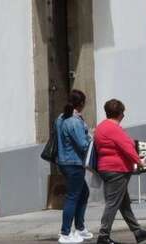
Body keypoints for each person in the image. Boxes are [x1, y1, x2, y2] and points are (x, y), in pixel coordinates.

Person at [94, 99, 146, 244]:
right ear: (121, 114)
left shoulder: (101, 127)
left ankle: (138, 231)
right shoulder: (114, 129)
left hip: (106, 167)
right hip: (116, 169)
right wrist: (139, 162)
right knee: (113, 203)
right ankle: (103, 235)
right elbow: (127, 147)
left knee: (124, 203)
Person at [55, 90, 93, 244]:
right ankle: (65, 233)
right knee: (73, 196)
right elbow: (83, 145)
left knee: (83, 193)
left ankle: (80, 228)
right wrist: (91, 137)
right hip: (74, 163)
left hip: (64, 161)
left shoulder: (61, 118)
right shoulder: (74, 121)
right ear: (81, 104)